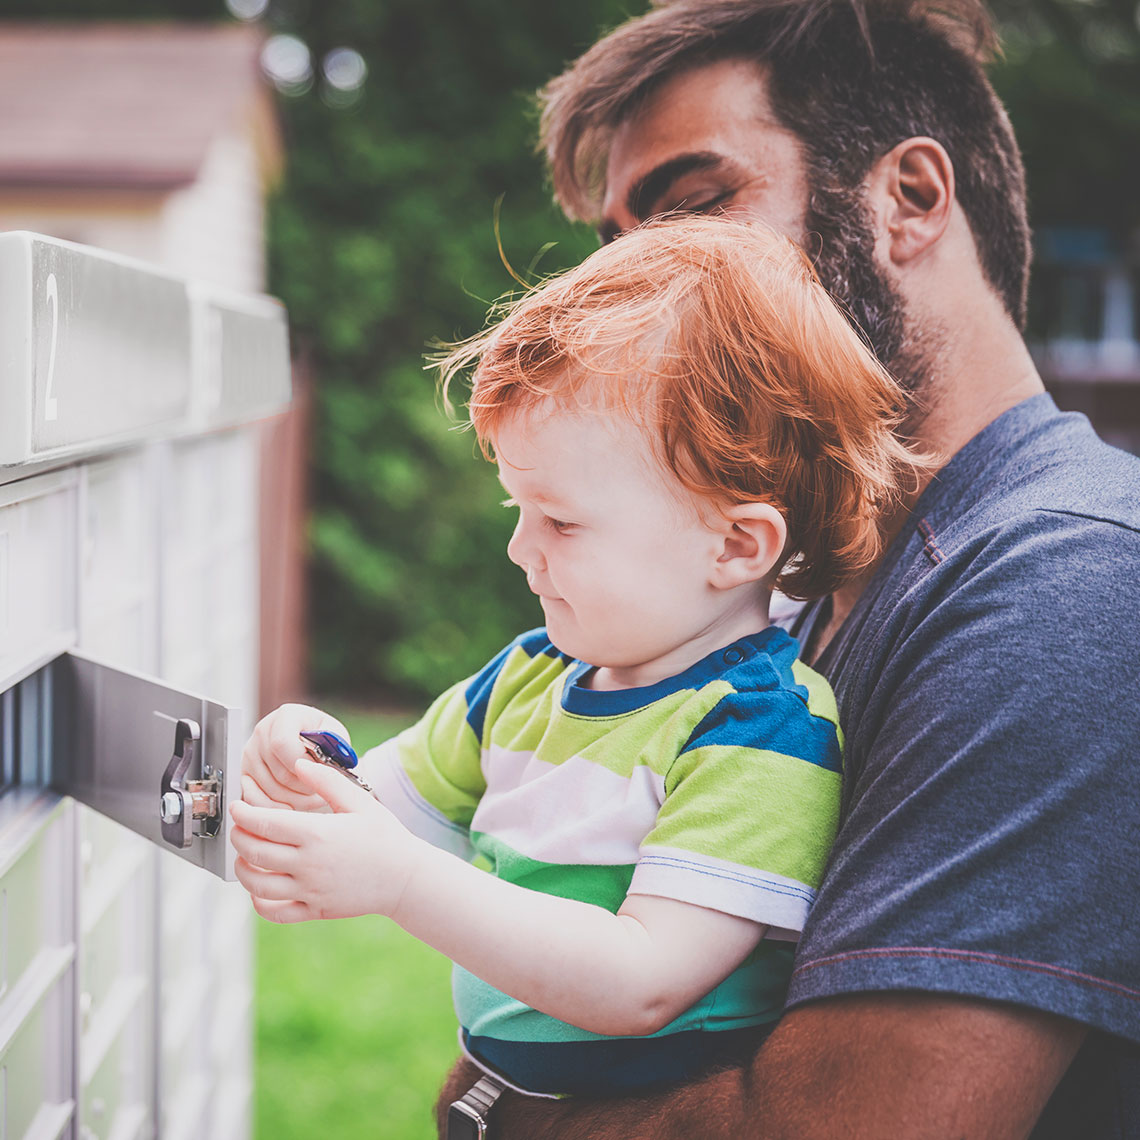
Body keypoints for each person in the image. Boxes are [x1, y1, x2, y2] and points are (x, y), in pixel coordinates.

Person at [429, 0, 1140, 1136]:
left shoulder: (1068, 587)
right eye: (624, 248)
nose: (649, 285)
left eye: (696, 210)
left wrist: (493, 1104)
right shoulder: (785, 589)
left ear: (907, 201)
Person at [232, 218, 927, 1123]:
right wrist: (309, 759)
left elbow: (643, 978)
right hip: (498, 1104)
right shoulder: (525, 680)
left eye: (561, 522)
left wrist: (398, 882)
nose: (522, 550)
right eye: (517, 508)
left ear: (736, 543)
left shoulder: (761, 731)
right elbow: (373, 814)